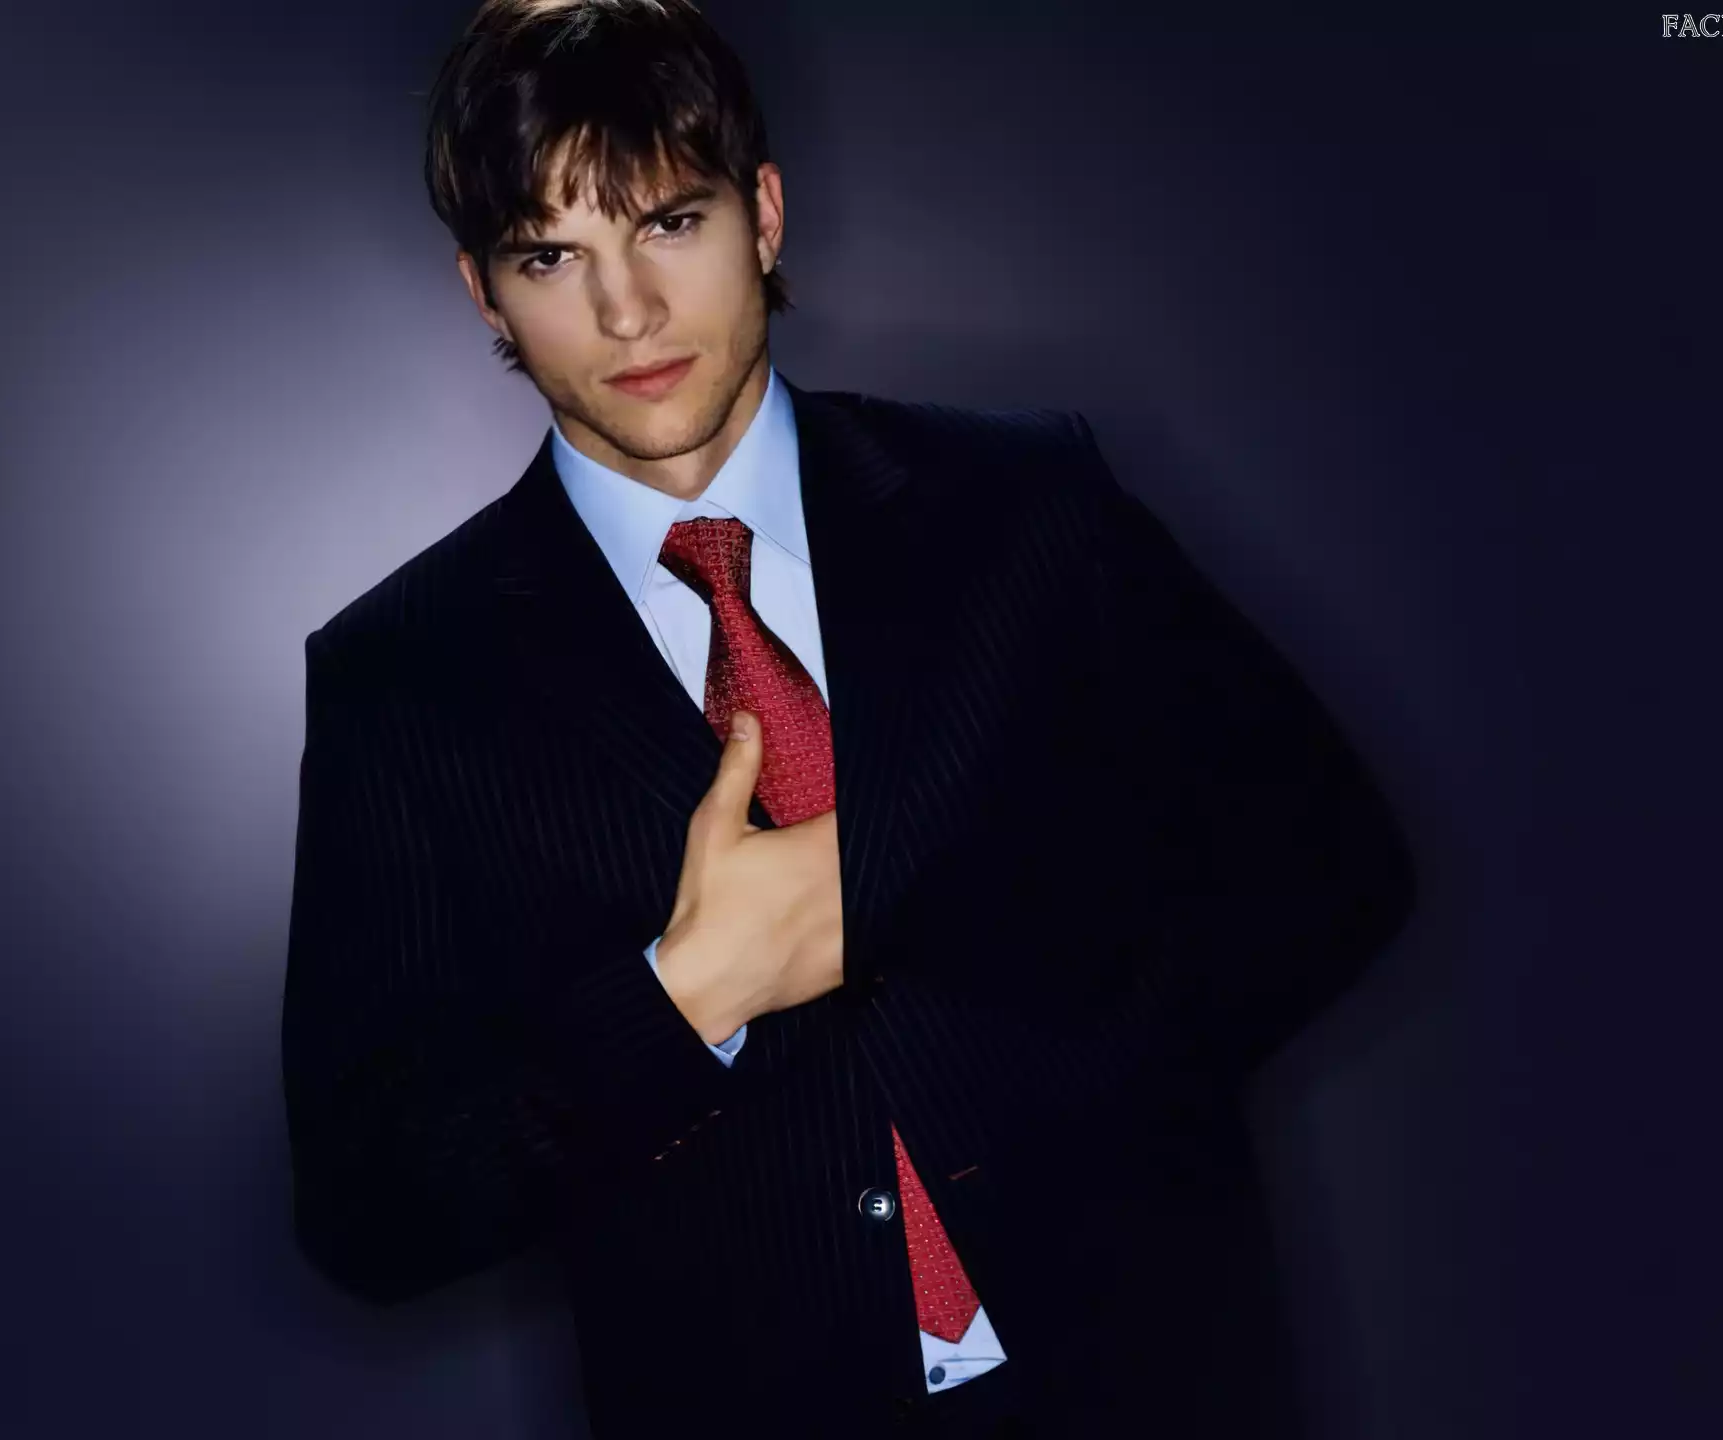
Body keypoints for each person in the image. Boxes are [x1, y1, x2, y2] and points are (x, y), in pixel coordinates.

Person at [278, 1, 1417, 1435]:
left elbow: (1335, 868)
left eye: (670, 223)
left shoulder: (1029, 508)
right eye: (551, 256)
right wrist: (685, 999)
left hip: (1158, 1378)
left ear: (761, 213)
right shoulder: (400, 674)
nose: (627, 313)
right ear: (484, 293)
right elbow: (371, 1208)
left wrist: (931, 903)